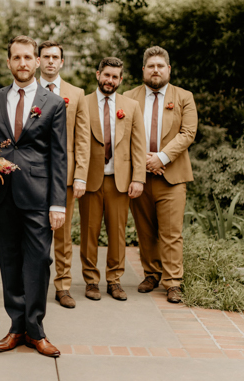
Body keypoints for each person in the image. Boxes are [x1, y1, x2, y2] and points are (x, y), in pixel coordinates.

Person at [0, 36, 67, 358]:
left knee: (38, 262)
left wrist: (57, 202)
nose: (22, 63)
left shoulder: (53, 103)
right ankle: (16, 327)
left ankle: (37, 330)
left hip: (38, 194)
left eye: (27, 57)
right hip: (2, 192)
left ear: (36, 62)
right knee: (9, 262)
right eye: (16, 58)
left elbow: (58, 156)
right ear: (9, 63)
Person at [124, 46, 197, 303]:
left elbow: (188, 133)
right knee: (145, 230)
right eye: (151, 66)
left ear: (169, 69)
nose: (156, 70)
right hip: (139, 176)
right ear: (143, 70)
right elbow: (124, 134)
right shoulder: (129, 97)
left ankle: (173, 282)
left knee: (171, 232)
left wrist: (161, 158)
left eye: (160, 66)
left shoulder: (184, 97)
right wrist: (143, 162)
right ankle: (151, 273)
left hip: (172, 175)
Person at [78, 57, 145, 302]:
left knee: (117, 233)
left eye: (115, 77)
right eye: (106, 75)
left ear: (121, 79)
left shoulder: (131, 106)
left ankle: (115, 280)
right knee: (89, 232)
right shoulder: (82, 103)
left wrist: (138, 178)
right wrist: (77, 177)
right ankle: (91, 280)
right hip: (89, 179)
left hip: (120, 180)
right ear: (98, 75)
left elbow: (138, 145)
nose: (110, 80)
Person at [38, 40, 90, 309]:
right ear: (38, 61)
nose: (50, 61)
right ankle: (33, 284)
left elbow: (82, 138)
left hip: (65, 176)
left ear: (61, 62)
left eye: (54, 57)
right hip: (33, 175)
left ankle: (63, 285)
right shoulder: (27, 91)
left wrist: (80, 175)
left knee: (63, 233)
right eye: (45, 56)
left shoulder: (76, 93)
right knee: (34, 232)